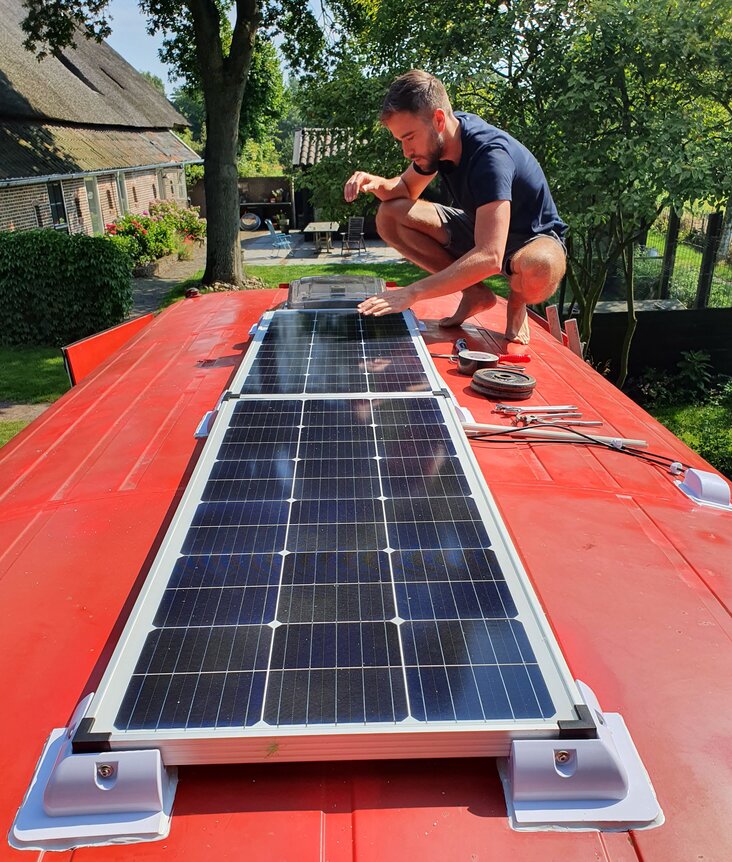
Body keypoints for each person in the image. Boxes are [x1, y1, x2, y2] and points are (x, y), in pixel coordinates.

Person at [344, 70, 567, 343]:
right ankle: (474, 293)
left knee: (540, 265)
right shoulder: (442, 140)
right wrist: (375, 182)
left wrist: (412, 292)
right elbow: (405, 189)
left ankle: (518, 302)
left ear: (438, 119)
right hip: (481, 226)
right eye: (401, 140)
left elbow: (489, 256)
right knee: (390, 215)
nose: (406, 150)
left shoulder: (490, 157)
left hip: (532, 239)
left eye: (409, 137)